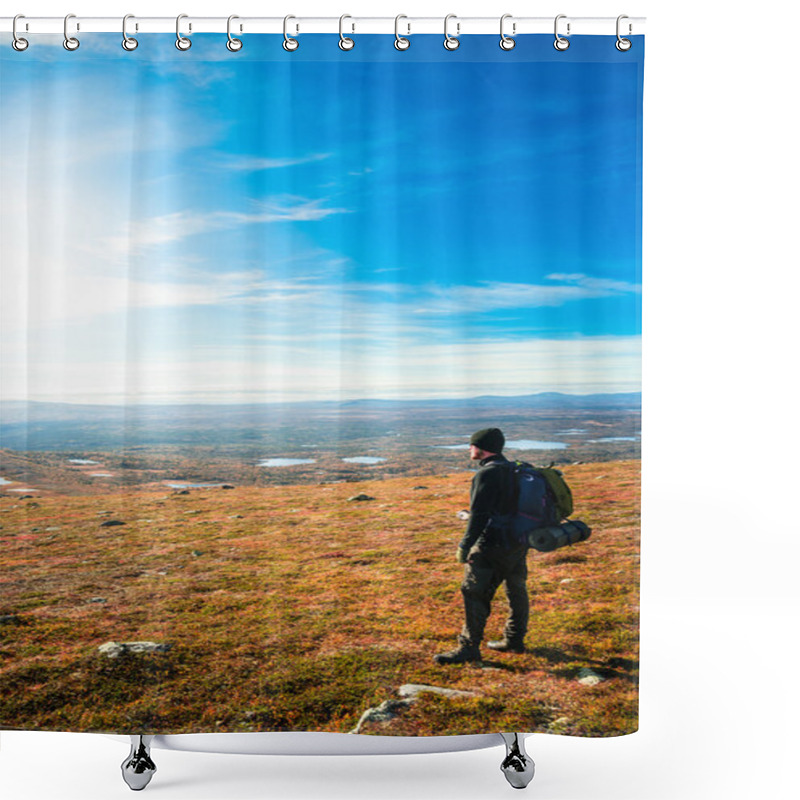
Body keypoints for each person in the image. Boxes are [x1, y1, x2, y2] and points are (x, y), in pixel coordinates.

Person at [434, 427, 529, 665]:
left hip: (492, 544)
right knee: (516, 589)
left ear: (481, 448)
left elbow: (479, 515)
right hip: (517, 542)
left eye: (471, 445)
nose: (469, 448)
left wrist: (464, 547)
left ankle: (468, 648)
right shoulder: (515, 469)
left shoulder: (486, 474)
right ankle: (514, 640)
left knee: (474, 593)